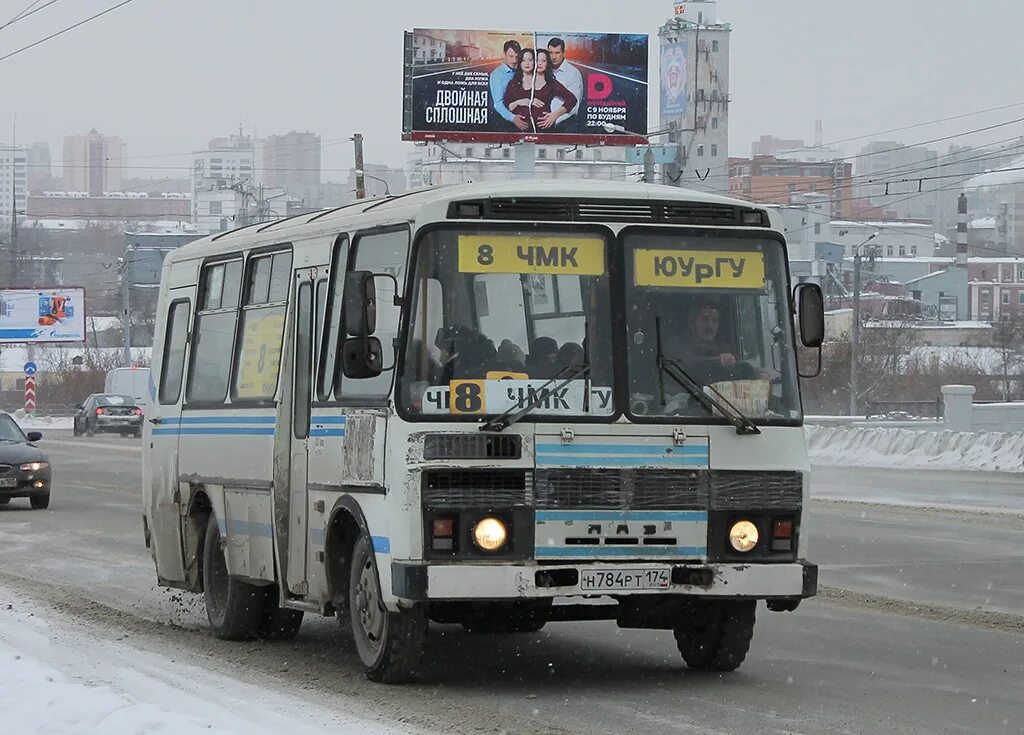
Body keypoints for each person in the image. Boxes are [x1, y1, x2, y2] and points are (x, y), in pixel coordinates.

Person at [503, 49, 578, 133]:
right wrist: (522, 102)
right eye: (537, 60)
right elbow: (507, 106)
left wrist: (555, 115)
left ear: (547, 64)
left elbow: (572, 99)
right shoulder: (514, 83)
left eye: (543, 61)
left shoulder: (550, 83)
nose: (539, 63)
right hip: (518, 131)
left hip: (544, 130)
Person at [542, 37, 584, 132]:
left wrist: (554, 118)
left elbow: (575, 104)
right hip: (544, 124)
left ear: (563, 53)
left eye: (557, 53)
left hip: (565, 124)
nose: (553, 57)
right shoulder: (543, 71)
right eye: (550, 53)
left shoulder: (573, 73)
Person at [490, 40, 530, 132]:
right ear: (504, 54)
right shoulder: (497, 74)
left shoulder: (521, 71)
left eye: (517, 57)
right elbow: (498, 104)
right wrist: (513, 118)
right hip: (506, 122)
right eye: (511, 56)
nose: (514, 61)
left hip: (523, 120)